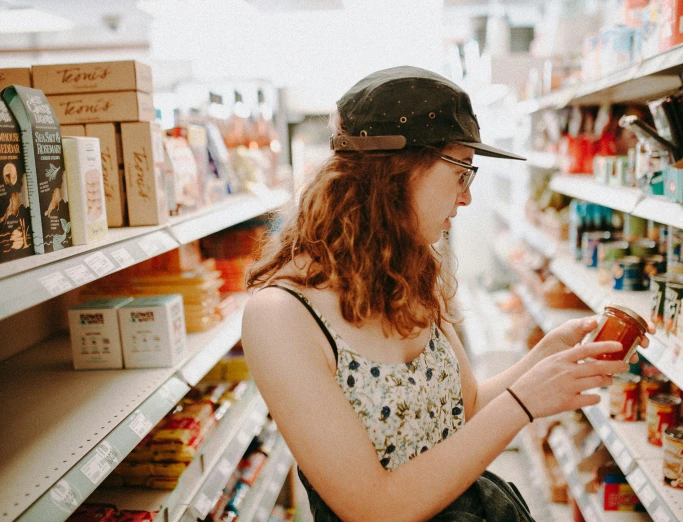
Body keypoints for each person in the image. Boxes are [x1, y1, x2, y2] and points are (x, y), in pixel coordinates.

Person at [242, 66, 652, 521]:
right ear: (396, 170)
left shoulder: (408, 274)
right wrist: (523, 404)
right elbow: (374, 508)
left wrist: (545, 357)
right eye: (461, 172)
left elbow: (465, 407)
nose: (467, 198)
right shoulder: (281, 315)